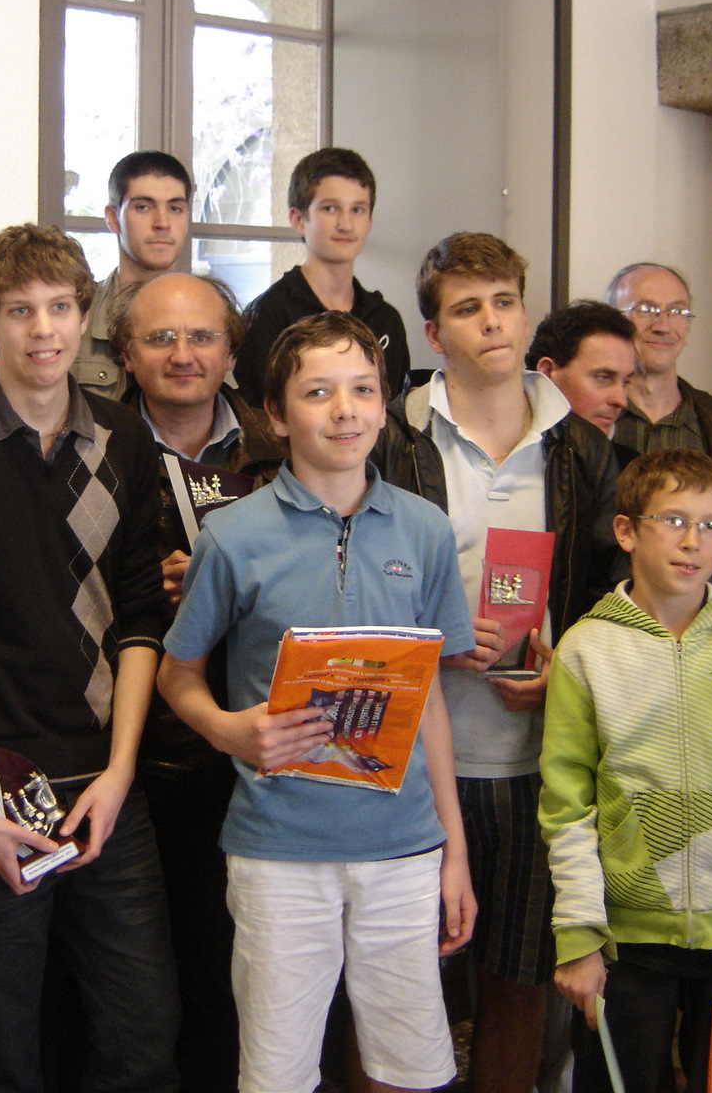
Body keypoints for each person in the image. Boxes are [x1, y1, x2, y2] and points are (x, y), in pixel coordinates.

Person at [159, 312, 476, 1093]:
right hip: (278, 850)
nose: (345, 411)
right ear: (276, 414)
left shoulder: (426, 532)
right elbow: (176, 675)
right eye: (318, 392)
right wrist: (229, 730)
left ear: (384, 404)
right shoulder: (232, 537)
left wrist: (455, 852)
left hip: (403, 849)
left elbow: (432, 702)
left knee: (412, 1069)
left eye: (363, 390)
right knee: (277, 1071)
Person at [0, 223, 178, 1093]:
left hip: (108, 785)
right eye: (19, 311)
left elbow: (141, 621)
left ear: (85, 316)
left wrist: (121, 772)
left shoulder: (124, 440)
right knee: (3, 1048)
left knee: (143, 1037)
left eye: (59, 307)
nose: (43, 329)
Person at [371, 233, 621, 1093]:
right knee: (396, 982)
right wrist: (430, 637)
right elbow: (350, 580)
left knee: (518, 980)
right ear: (434, 334)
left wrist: (568, 670)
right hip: (412, 759)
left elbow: (611, 595)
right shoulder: (392, 437)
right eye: (468, 308)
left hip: (532, 760)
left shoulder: (582, 447)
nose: (492, 322)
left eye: (505, 302)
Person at [541, 448, 712, 1093]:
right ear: (627, 530)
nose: (694, 542)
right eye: (674, 520)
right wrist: (579, 936)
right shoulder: (587, 648)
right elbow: (567, 803)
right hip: (625, 937)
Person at [108, 269, 283, 1091]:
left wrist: (228, 580)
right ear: (125, 354)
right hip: (135, 751)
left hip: (258, 745)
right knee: (139, 989)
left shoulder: (284, 444)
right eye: (161, 337)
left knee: (236, 977)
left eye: (203, 336)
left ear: (231, 350)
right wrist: (144, 583)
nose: (184, 354)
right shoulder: (92, 447)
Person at [605, 263, 712, 605]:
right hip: (599, 615)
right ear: (612, 320)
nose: (663, 325)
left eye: (677, 312)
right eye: (646, 309)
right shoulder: (591, 416)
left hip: (696, 621)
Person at [232, 147, 409, 405]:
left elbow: (393, 413)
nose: (346, 224)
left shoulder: (386, 320)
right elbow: (257, 417)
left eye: (357, 210)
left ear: (370, 220)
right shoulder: (268, 316)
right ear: (298, 219)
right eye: (330, 208)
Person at [74, 150, 193, 399]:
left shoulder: (212, 317)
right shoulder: (77, 317)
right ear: (112, 218)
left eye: (175, 208)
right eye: (143, 207)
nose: (162, 223)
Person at [526, 300, 637, 436]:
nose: (621, 401)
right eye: (603, 378)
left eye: (625, 382)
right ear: (547, 372)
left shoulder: (627, 449)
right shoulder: (505, 443)